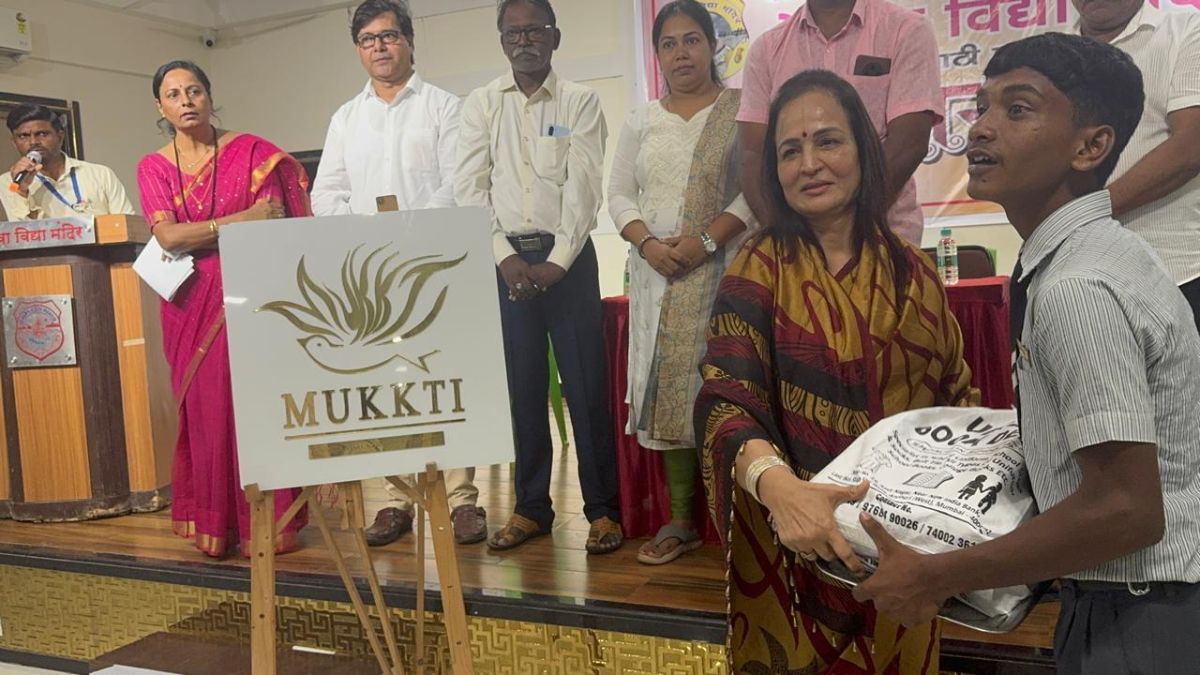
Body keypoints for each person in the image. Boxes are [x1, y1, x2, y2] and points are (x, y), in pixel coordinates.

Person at [855, 34, 1200, 675]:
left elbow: (1125, 509)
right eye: (982, 107)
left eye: (1017, 109)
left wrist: (936, 575)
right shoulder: (1103, 254)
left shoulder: (1078, 287)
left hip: (1142, 616)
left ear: (1090, 146)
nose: (981, 128)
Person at [694, 69, 975, 673]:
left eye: (828, 141)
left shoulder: (915, 276)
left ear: (864, 152)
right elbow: (725, 399)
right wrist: (780, 490)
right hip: (796, 551)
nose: (810, 164)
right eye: (789, 151)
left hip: (905, 555)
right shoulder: (758, 266)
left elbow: (957, 403)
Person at [310, 0, 486, 547]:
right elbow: (325, 194)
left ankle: (461, 500)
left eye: (388, 36)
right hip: (370, 276)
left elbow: (457, 183)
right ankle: (396, 499)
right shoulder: (346, 118)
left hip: (433, 266)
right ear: (358, 49)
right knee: (384, 386)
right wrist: (368, 235)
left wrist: (408, 233)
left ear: (409, 41)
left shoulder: (444, 108)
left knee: (444, 381)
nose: (379, 47)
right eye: (368, 39)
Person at [455, 0, 622, 554]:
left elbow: (585, 184)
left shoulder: (579, 101)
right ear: (501, 40)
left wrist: (561, 260)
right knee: (521, 390)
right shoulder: (481, 104)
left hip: (566, 262)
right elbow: (470, 186)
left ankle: (603, 511)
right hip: (506, 263)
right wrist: (503, 256)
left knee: (585, 388)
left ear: (555, 37)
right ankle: (532, 508)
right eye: (514, 33)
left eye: (534, 31)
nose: (524, 41)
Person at [137, 60, 311, 558]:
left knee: (259, 405)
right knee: (207, 411)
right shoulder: (153, 167)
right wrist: (239, 220)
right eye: (173, 95)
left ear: (210, 96)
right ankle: (217, 522)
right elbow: (168, 237)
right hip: (190, 302)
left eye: (194, 90)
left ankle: (270, 521)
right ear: (160, 107)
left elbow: (274, 221)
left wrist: (217, 228)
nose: (186, 101)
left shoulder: (254, 154)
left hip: (255, 294)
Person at [607, 0, 754, 565]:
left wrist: (707, 241)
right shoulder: (641, 120)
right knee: (669, 389)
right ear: (657, 55)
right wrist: (648, 244)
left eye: (692, 40)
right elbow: (619, 195)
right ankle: (682, 520)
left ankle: (744, 519)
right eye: (668, 44)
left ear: (713, 46)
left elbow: (754, 193)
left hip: (724, 270)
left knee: (725, 387)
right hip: (657, 275)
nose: (681, 53)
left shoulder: (740, 112)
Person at [736, 0, 942, 245]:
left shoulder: (905, 29)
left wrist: (840, 233)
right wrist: (789, 240)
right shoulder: (766, 49)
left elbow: (909, 143)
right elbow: (752, 156)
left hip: (883, 238)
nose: (811, 165)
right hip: (793, 247)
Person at [1074, 0, 1200, 333]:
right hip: (1076, 278)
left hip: (1176, 274)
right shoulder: (1047, 55)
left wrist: (1085, 212)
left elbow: (1191, 146)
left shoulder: (1188, 29)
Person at [1, 103, 135, 221]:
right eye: (23, 136)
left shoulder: (100, 174)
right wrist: (21, 191)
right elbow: (19, 232)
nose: (33, 142)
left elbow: (128, 224)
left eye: (42, 134)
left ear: (60, 137)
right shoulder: (9, 182)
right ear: (14, 143)